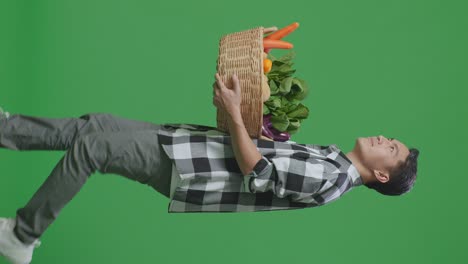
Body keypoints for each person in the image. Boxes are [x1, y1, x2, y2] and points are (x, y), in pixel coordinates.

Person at [0, 73, 420, 263]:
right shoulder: (332, 159)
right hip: (187, 144)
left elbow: (258, 173)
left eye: (391, 148)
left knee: (91, 148)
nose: (385, 138)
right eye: (390, 138)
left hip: (187, 167)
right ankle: (6, 129)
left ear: (382, 175)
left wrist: (236, 116)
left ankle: (23, 235)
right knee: (95, 125)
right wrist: (249, 117)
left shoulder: (331, 179)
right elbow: (265, 154)